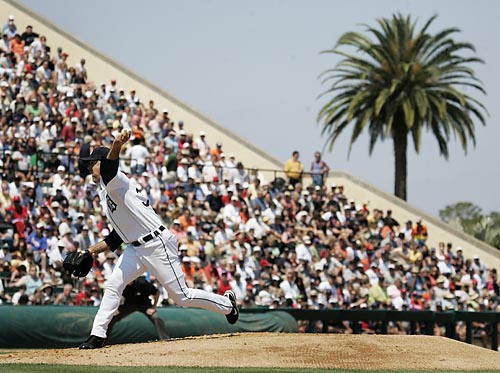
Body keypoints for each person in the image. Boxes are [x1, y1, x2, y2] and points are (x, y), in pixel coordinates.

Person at [78, 129, 238, 349]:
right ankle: (97, 335)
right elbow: (117, 237)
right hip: (135, 248)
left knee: (182, 297)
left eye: (92, 163)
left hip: (157, 243)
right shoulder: (107, 192)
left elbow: (110, 165)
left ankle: (228, 305)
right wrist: (89, 252)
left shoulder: (114, 180)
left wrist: (116, 145)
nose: (89, 167)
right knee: (114, 284)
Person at [107, 276, 170, 340]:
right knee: (111, 317)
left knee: (156, 317)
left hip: (144, 304)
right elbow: (113, 296)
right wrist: (114, 309)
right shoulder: (121, 285)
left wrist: (153, 307)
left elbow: (157, 292)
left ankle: (165, 339)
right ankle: (102, 340)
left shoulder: (142, 283)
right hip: (129, 304)